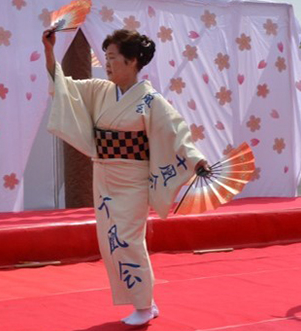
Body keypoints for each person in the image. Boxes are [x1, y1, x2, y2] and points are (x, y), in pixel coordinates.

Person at [44, 28, 209, 326]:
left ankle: (144, 306)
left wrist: (195, 161)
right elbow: (62, 85)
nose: (106, 64)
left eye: (112, 58)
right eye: (105, 58)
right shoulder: (99, 89)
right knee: (111, 242)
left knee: (129, 239)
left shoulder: (151, 101)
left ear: (132, 61)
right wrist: (49, 51)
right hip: (104, 177)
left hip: (133, 179)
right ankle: (144, 299)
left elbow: (177, 133)